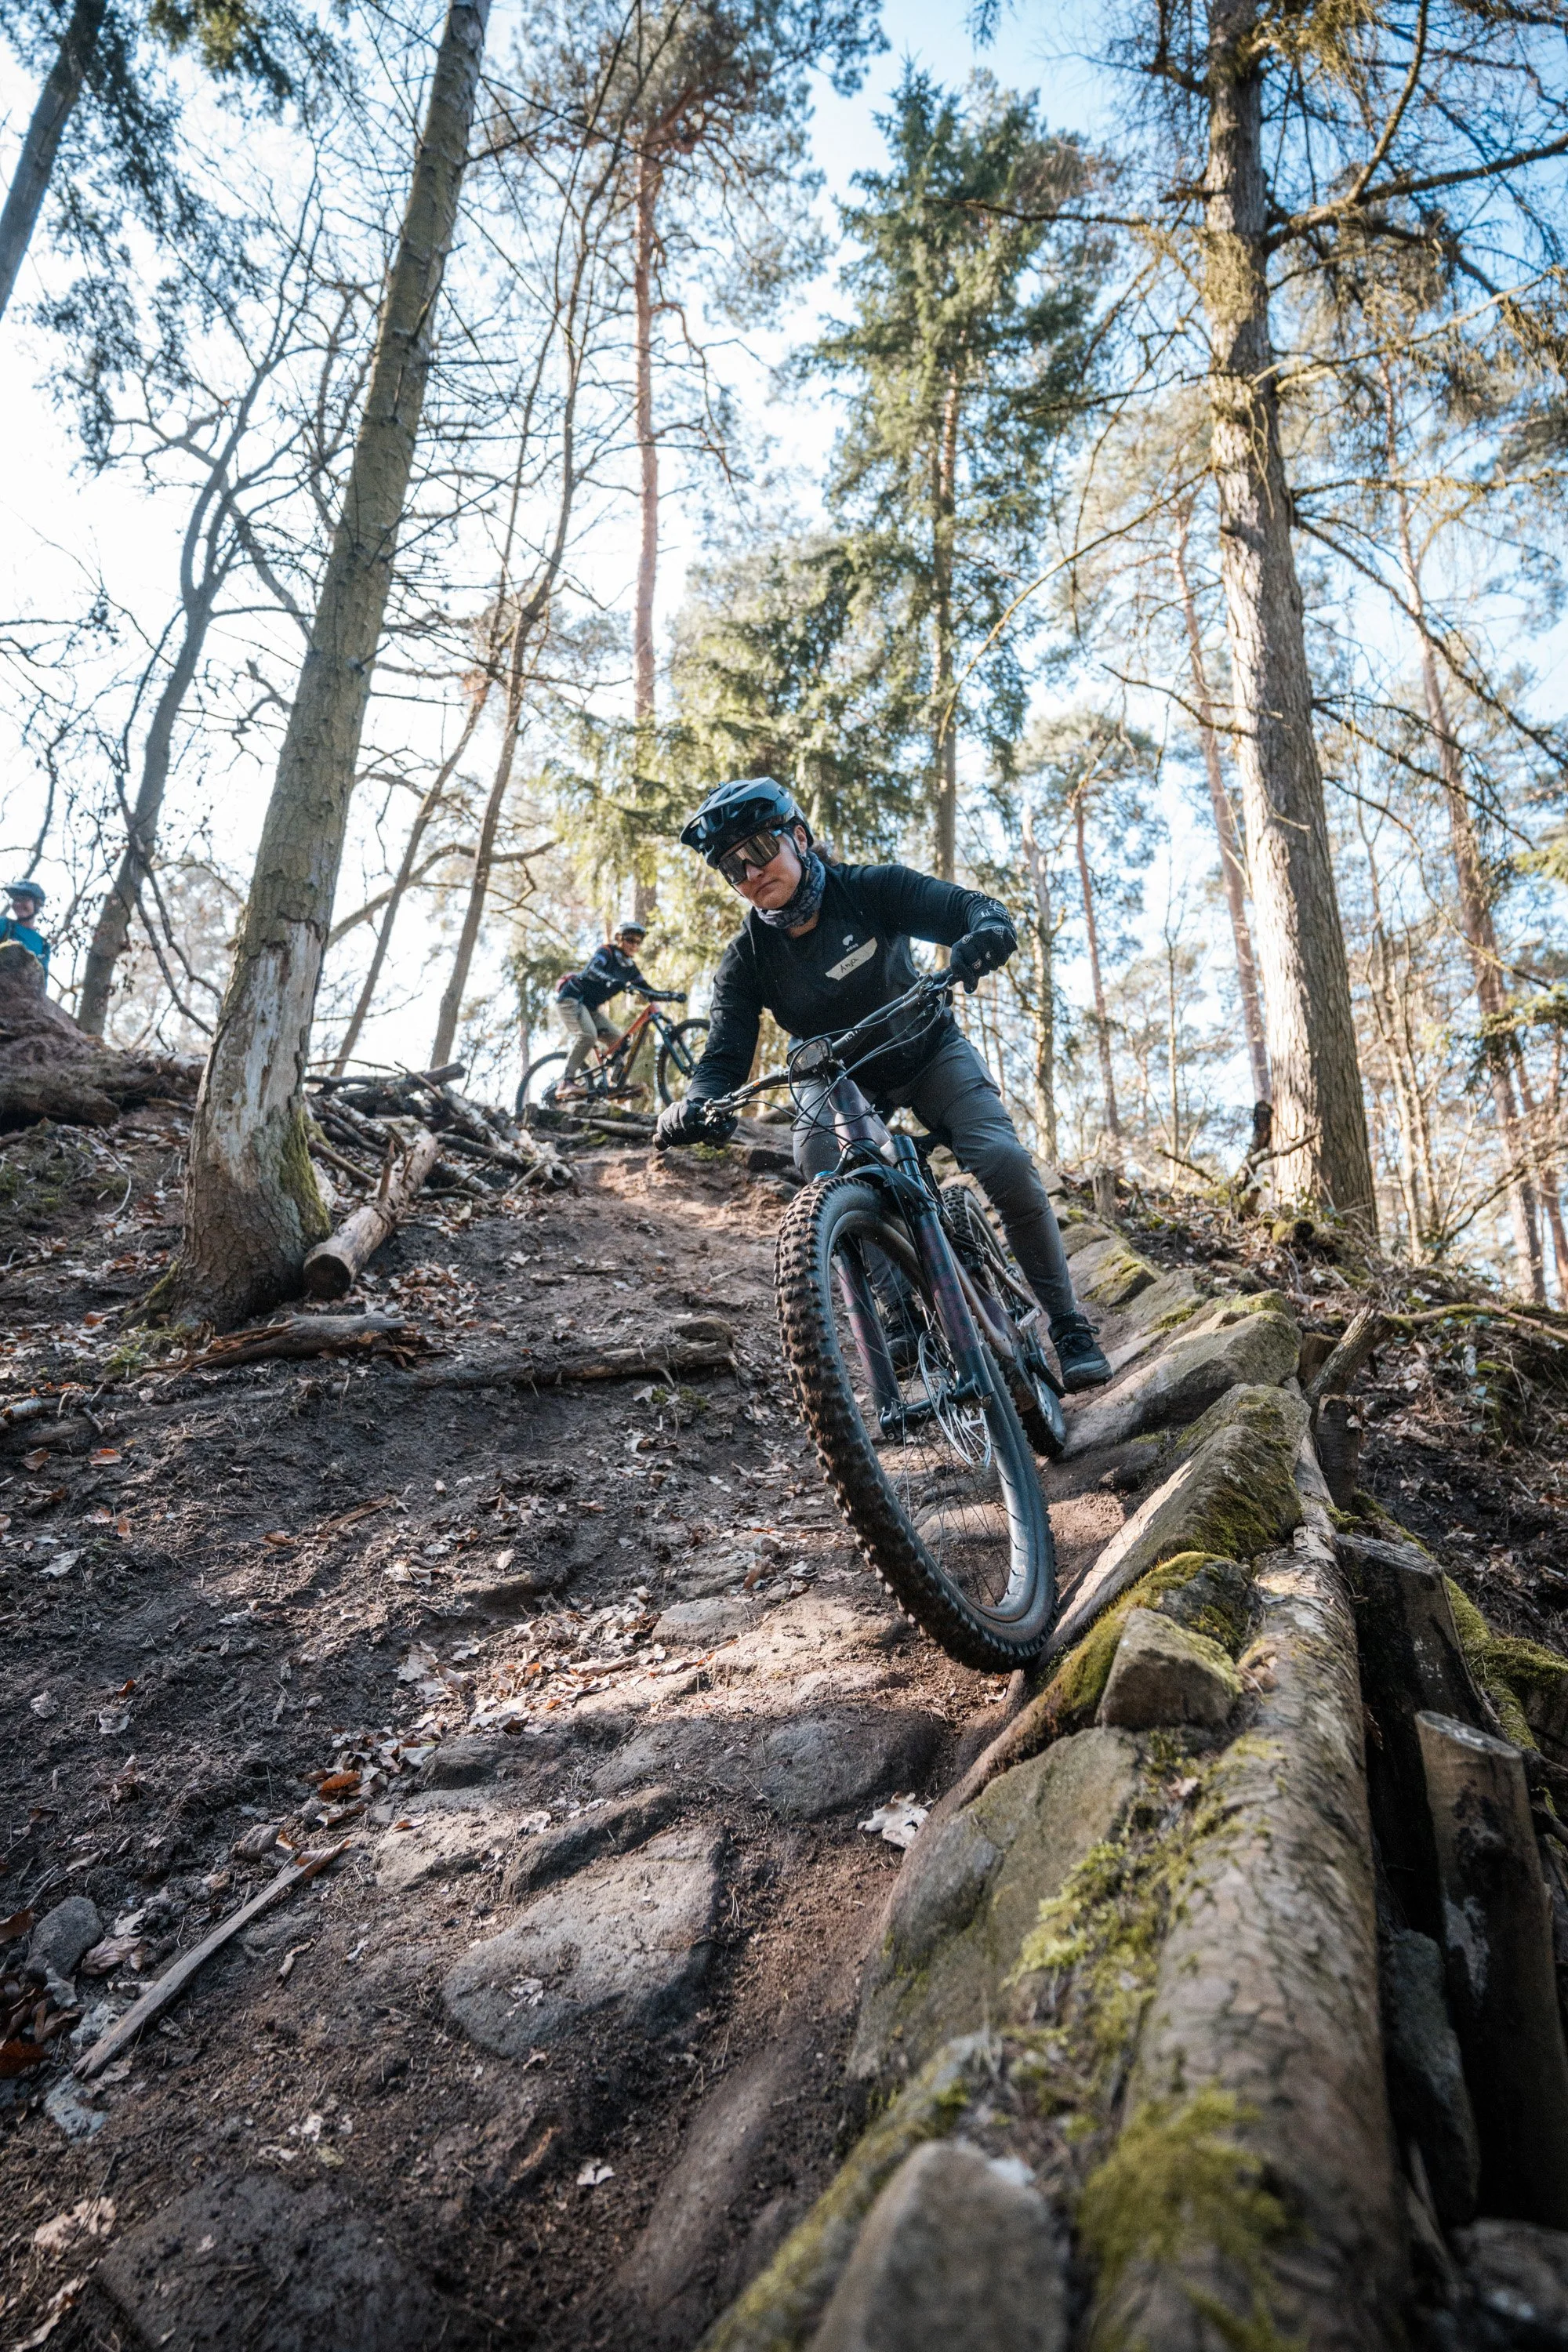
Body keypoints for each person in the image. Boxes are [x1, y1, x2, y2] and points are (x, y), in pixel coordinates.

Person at [653, 779, 1112, 1391]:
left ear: (799, 837)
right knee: (822, 1164)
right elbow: (723, 1056)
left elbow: (966, 908)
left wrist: (988, 929)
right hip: (834, 1077)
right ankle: (901, 1312)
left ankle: (1070, 1326)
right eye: (732, 867)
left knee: (1003, 1160)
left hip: (926, 1049)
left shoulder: (871, 888)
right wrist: (696, 1103)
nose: (751, 873)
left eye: (759, 849)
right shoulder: (746, 958)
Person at [553, 919, 679, 1093]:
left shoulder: (630, 968)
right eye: (630, 940)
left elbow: (648, 992)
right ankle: (565, 1082)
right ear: (620, 938)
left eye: (638, 942)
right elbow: (593, 970)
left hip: (590, 1008)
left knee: (620, 1041)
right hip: (572, 998)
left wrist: (671, 996)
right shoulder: (607, 952)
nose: (634, 945)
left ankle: (618, 1086)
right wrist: (612, 980)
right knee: (588, 1035)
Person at [1, 880, 49, 977]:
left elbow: (43, 980)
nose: (18, 904)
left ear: (38, 904)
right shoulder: (4, 924)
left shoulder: (43, 945)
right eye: (15, 899)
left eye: (24, 899)